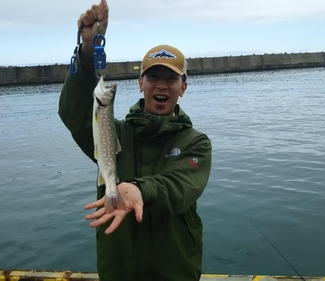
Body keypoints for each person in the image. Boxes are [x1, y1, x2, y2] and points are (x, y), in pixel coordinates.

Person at [58, 1, 212, 280]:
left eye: (171, 78)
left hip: (175, 273)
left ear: (183, 87)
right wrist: (87, 54)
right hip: (118, 272)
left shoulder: (196, 143)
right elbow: (74, 114)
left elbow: (179, 187)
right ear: (140, 83)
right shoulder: (115, 134)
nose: (161, 85)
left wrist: (140, 190)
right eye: (153, 76)